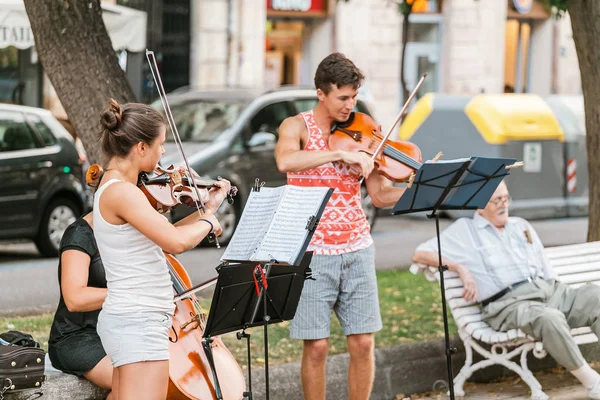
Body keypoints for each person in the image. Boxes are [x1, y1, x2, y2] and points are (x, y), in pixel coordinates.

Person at [274, 52, 407, 400]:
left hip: (357, 248)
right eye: (342, 97)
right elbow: (286, 160)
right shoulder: (296, 126)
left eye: (354, 97)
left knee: (363, 342)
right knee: (316, 347)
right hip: (313, 253)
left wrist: (419, 190)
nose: (351, 105)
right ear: (321, 94)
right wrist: (339, 154)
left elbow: (379, 195)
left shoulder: (363, 130)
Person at [93, 98, 230, 400]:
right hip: (136, 320)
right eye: (160, 144)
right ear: (141, 148)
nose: (164, 152)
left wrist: (208, 209)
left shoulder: (123, 190)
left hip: (139, 318)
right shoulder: (122, 193)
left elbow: (165, 234)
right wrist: (208, 224)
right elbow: (176, 243)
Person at [412, 180, 600, 399]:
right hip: (509, 304)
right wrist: (459, 267)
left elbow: (545, 269)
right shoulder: (464, 231)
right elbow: (420, 254)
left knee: (595, 296)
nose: (504, 205)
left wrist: (559, 290)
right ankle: (592, 383)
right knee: (548, 318)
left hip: (547, 291)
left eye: (506, 198)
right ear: (479, 205)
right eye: (496, 200)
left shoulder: (520, 225)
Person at [48, 211, 113, 399]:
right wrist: (131, 293)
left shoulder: (132, 230)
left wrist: (204, 212)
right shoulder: (80, 234)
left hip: (120, 331)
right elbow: (74, 298)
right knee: (135, 382)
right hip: (78, 337)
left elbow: (175, 236)